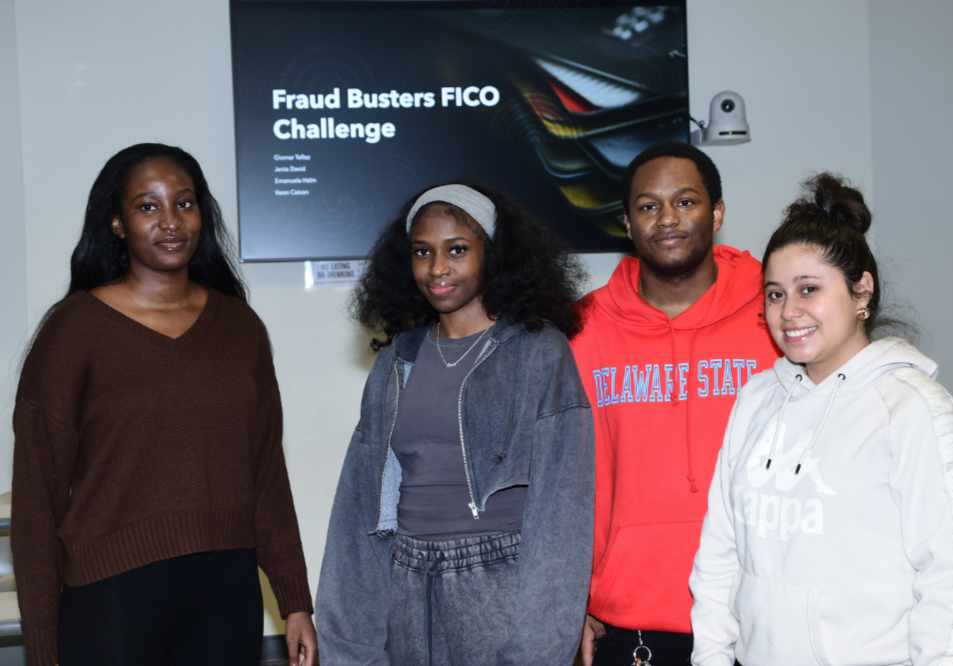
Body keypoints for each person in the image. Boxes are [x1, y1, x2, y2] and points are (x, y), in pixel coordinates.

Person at [11, 143, 316, 666]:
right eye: (147, 206)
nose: (171, 221)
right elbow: (37, 501)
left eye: (184, 203)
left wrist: (295, 600)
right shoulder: (74, 331)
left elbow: (266, 471)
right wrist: (42, 646)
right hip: (110, 601)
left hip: (226, 594)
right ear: (116, 223)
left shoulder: (240, 328)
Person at [689, 173, 953, 665]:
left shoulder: (917, 410)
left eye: (808, 289)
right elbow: (720, 556)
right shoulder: (756, 400)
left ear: (861, 292)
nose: (789, 311)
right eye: (774, 294)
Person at [315, 183, 594, 665]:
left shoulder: (538, 352)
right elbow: (359, 512)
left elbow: (562, 517)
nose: (437, 268)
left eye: (457, 250)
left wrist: (540, 648)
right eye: (422, 252)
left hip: (500, 591)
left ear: (495, 254)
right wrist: (350, 643)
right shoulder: (396, 363)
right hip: (406, 587)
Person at [570, 142, 779, 665]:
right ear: (627, 221)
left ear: (718, 212)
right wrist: (574, 598)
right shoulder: (581, 329)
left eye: (685, 202)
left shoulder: (776, 314)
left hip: (765, 611)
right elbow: (566, 480)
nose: (667, 219)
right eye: (648, 206)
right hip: (632, 621)